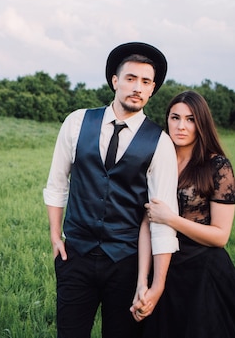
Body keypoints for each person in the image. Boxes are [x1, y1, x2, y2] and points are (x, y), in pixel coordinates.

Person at [43, 42, 180, 338]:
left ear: (153, 88)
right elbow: (56, 184)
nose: (137, 88)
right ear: (115, 81)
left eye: (145, 82)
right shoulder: (77, 122)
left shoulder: (161, 143)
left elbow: (162, 220)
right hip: (74, 256)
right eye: (130, 78)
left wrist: (155, 284)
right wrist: (55, 236)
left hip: (126, 263)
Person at [134, 90, 235, 337]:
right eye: (175, 117)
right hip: (163, 265)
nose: (181, 126)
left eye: (191, 119)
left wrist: (171, 219)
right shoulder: (156, 161)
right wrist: (143, 279)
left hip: (202, 271)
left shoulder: (217, 167)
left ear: (201, 123)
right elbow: (146, 223)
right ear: (167, 120)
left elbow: (220, 236)